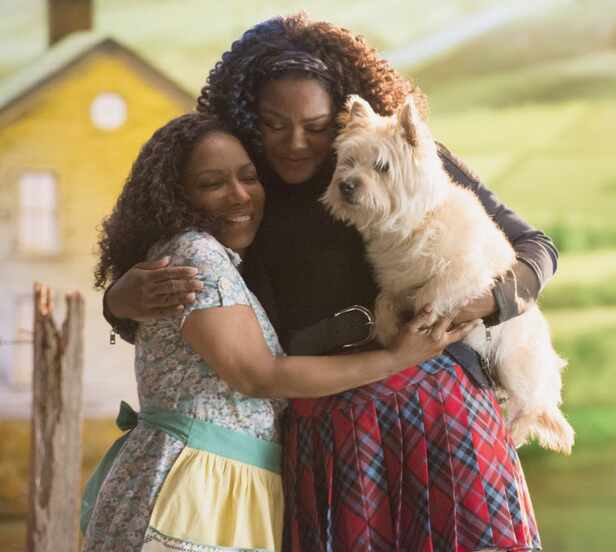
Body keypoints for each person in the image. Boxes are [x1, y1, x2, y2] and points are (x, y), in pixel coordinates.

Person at [104, 14, 557, 551]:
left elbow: (538, 250)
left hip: (435, 403)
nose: (296, 143)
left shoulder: (399, 159)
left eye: (317, 128)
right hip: (323, 422)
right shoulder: (241, 190)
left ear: (343, 118)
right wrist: (118, 304)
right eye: (274, 125)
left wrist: (490, 302)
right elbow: (198, 312)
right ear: (251, 119)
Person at [83, 112, 473, 552]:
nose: (240, 196)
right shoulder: (196, 254)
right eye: (213, 184)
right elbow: (257, 375)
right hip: (193, 484)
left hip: (219, 481)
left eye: (248, 177)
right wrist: (396, 359)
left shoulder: (213, 258)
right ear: (177, 198)